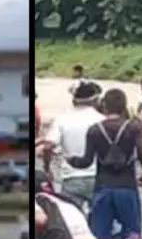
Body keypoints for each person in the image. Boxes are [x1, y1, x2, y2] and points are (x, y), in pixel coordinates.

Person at [65, 88, 142, 239]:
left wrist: (69, 159)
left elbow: (86, 162)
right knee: (133, 231)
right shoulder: (133, 127)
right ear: (124, 106)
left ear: (104, 106)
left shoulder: (94, 130)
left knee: (101, 234)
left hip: (102, 188)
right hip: (127, 187)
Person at [41, 81, 104, 209]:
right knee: (101, 222)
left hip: (71, 177)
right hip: (99, 177)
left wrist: (47, 168)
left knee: (71, 221)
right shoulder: (101, 120)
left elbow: (48, 146)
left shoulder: (62, 119)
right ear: (95, 99)